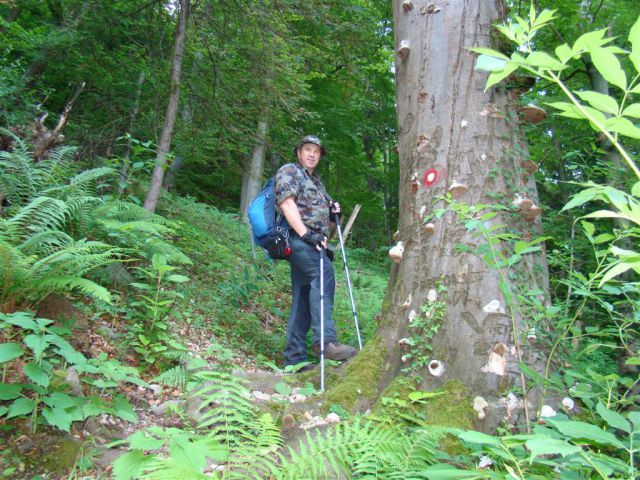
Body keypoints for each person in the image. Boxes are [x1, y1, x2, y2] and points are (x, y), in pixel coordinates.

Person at [275, 135, 357, 371]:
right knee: (323, 272)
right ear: (299, 152)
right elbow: (286, 204)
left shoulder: (318, 184)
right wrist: (304, 234)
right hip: (296, 237)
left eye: (317, 151)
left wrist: (333, 216)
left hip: (313, 242)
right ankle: (325, 341)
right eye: (307, 149)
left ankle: (295, 360)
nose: (312, 154)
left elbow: (327, 229)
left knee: (302, 295)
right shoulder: (290, 171)